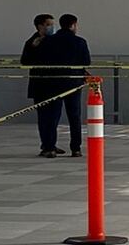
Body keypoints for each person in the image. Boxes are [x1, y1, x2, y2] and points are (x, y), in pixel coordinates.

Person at [36, 14, 91, 158]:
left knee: (52, 117)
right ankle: (76, 148)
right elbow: (86, 61)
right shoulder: (80, 42)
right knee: (74, 117)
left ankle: (49, 147)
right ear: (73, 25)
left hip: (53, 83)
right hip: (74, 83)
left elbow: (42, 60)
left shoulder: (49, 41)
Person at [22, 14, 63, 155]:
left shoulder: (56, 41)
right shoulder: (31, 42)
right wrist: (34, 48)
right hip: (40, 85)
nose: (52, 27)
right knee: (44, 117)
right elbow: (25, 61)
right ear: (40, 26)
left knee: (55, 116)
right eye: (49, 24)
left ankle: (50, 143)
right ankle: (47, 145)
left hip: (56, 84)